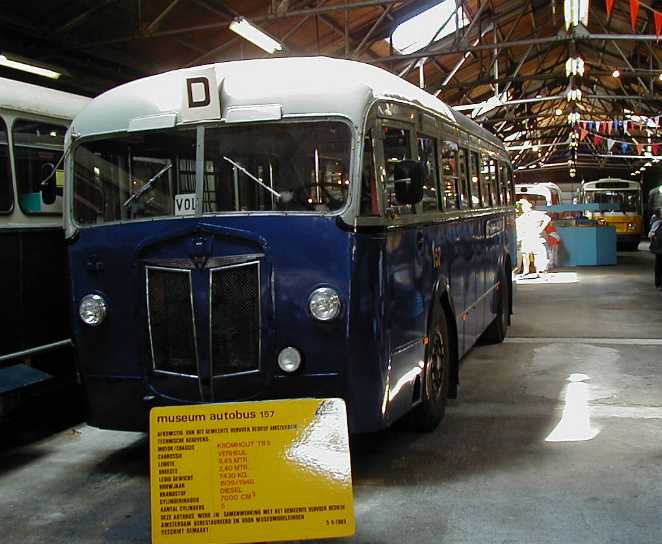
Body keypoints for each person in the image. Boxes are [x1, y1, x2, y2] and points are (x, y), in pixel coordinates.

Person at [516, 199, 551, 277]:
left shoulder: (536, 214)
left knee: (536, 254)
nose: (522, 208)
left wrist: (541, 228)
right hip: (526, 237)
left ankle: (538, 271)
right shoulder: (522, 216)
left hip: (535, 237)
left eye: (524, 206)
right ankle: (526, 271)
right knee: (525, 254)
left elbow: (548, 219)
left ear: (529, 206)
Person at [648, 209, 662, 290]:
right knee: (659, 265)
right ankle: (658, 283)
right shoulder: (657, 223)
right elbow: (650, 234)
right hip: (659, 248)